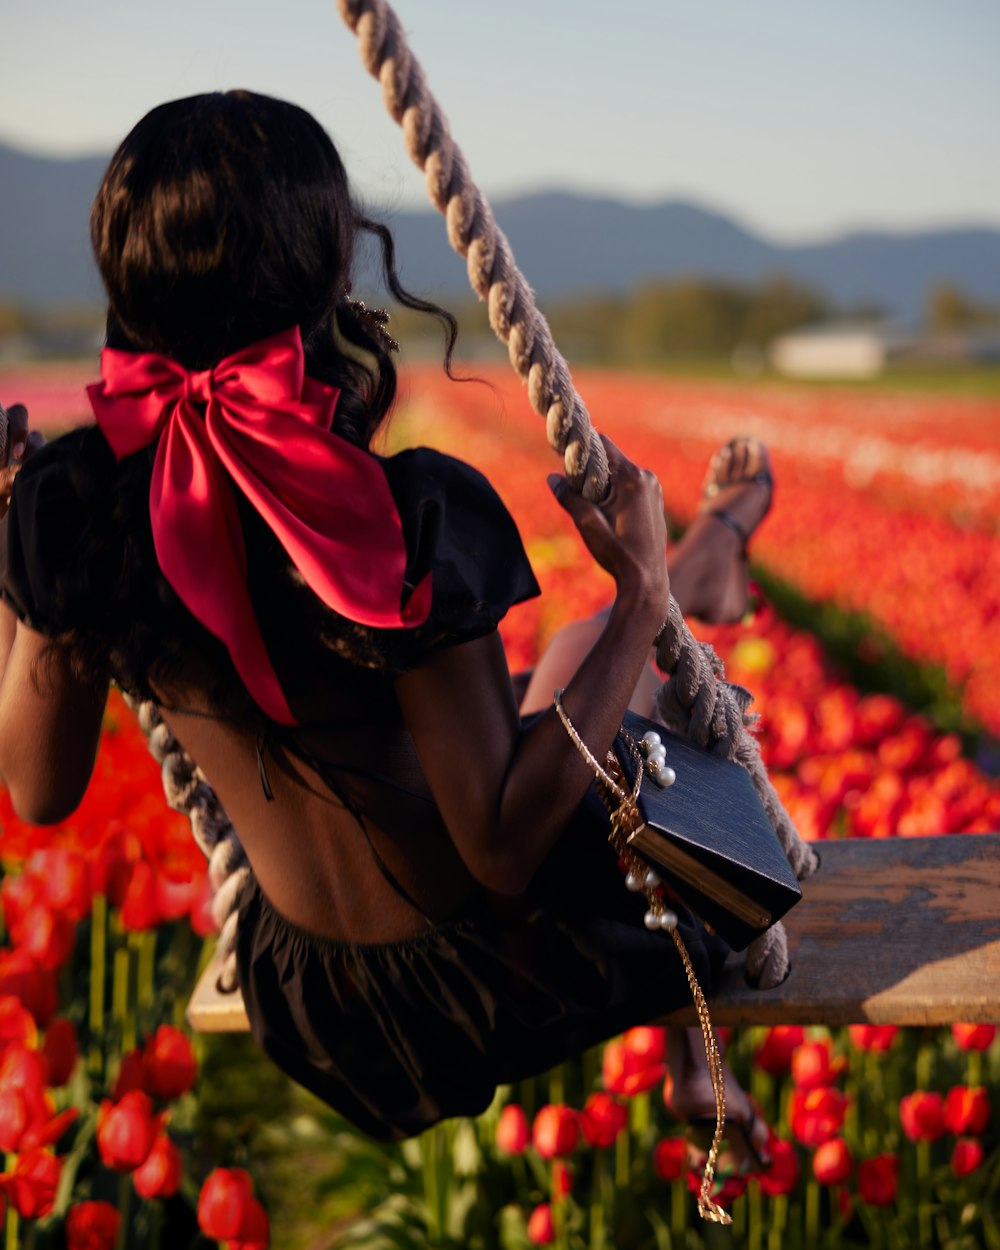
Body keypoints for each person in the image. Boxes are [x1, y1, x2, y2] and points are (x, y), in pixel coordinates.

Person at [0, 91, 773, 1163]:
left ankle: (706, 558)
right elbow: (502, 849)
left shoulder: (72, 509)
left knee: (565, 668)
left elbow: (38, 790)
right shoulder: (396, 517)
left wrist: (19, 568)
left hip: (313, 1004)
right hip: (486, 983)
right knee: (623, 687)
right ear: (327, 276)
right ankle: (699, 561)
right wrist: (642, 596)